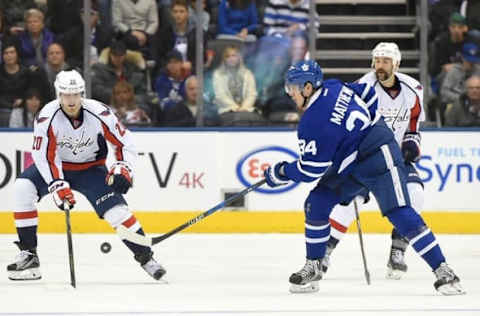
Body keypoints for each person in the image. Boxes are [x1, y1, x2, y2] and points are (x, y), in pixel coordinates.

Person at [263, 59, 465, 295]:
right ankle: (314, 266)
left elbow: (311, 170)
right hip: (353, 163)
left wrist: (280, 172)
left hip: (379, 155)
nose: (291, 94)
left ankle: (445, 272)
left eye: (293, 88)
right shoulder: (334, 86)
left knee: (398, 210)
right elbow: (368, 92)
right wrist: (368, 123)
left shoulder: (312, 122)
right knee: (316, 202)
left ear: (308, 88)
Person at [7, 70, 166, 281]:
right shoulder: (46, 116)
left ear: (82, 93)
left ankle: (147, 258)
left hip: (91, 169)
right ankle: (29, 255)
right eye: (66, 94)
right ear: (58, 94)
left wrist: (122, 168)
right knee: (22, 188)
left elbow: (124, 142)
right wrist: (56, 184)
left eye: (75, 94)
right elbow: (44, 156)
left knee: (117, 212)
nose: (71, 100)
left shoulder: (100, 113)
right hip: (59, 167)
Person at [322, 42, 426, 280]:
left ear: (396, 64)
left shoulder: (414, 89)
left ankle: (398, 251)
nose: (380, 66)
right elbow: (346, 123)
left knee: (416, 194)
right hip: (366, 157)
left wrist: (411, 144)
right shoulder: (361, 87)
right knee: (347, 204)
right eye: (377, 61)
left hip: (396, 157)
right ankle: (323, 253)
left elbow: (413, 126)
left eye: (386, 61)